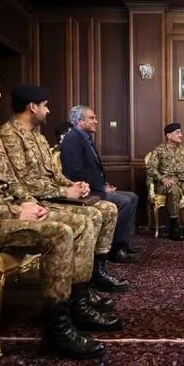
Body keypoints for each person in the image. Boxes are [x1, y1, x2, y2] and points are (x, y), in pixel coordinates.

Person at [0, 61, 119, 359]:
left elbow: (13, 182)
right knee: (59, 233)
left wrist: (29, 203)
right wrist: (14, 211)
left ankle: (76, 305)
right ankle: (57, 330)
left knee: (78, 223)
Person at [0, 84, 130, 293]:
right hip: (32, 201)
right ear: (33, 107)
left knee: (108, 209)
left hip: (49, 196)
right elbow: (23, 182)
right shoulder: (8, 136)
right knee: (91, 217)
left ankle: (96, 273)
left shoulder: (38, 137)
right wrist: (65, 192)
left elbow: (53, 173)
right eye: (45, 105)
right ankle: (79, 291)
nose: (48, 110)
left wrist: (72, 185)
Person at [60, 105, 141, 261]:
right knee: (124, 201)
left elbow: (92, 170)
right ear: (80, 121)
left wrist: (105, 185)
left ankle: (123, 243)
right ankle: (115, 249)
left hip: (96, 188)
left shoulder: (85, 138)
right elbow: (75, 173)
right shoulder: (72, 140)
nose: (96, 121)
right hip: (85, 191)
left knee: (132, 197)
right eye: (92, 118)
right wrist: (101, 188)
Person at [146, 123, 184, 240]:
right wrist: (162, 178)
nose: (181, 135)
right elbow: (150, 168)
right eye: (177, 132)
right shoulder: (159, 150)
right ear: (169, 135)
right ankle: (174, 227)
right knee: (174, 191)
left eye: (180, 132)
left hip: (182, 181)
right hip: (166, 182)